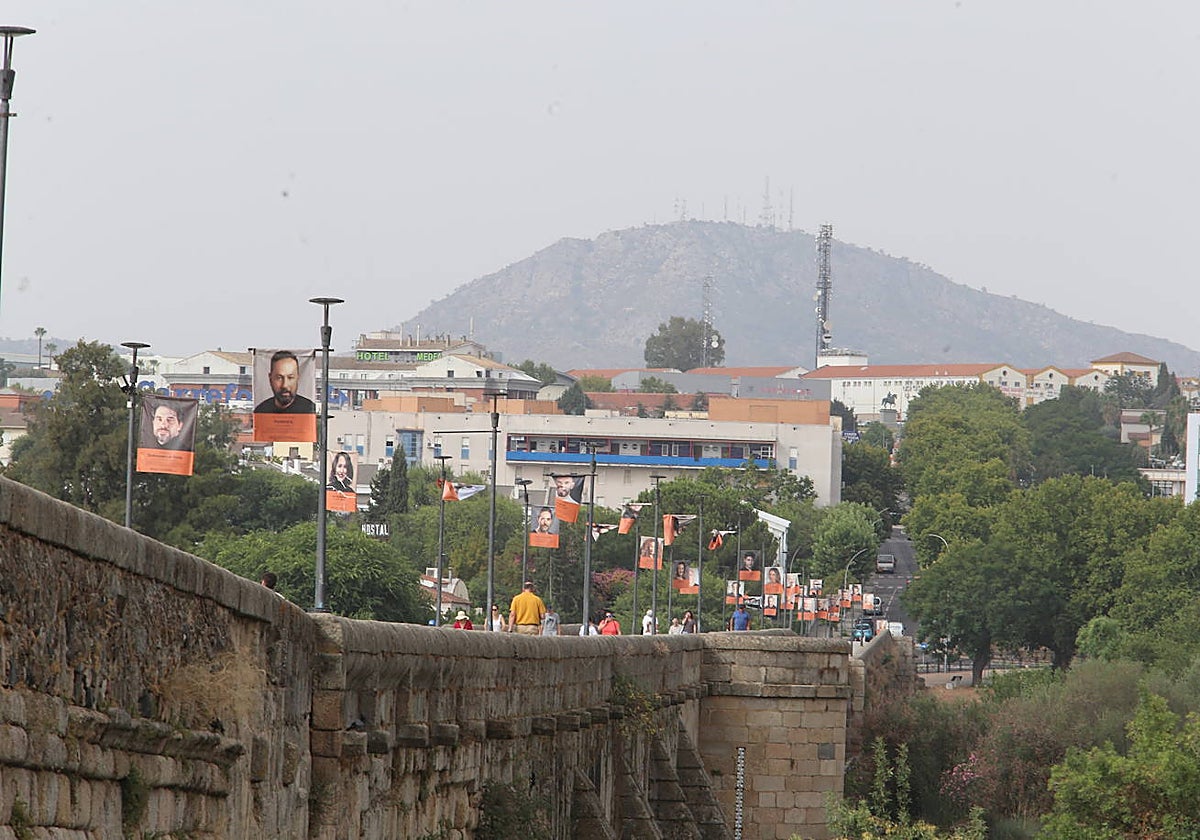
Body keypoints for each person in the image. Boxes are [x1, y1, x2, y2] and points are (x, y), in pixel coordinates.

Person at [255, 350, 316, 414]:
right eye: (279, 378)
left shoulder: (309, 410)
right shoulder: (261, 411)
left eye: (290, 377)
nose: (285, 385)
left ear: (298, 378)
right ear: (270, 378)